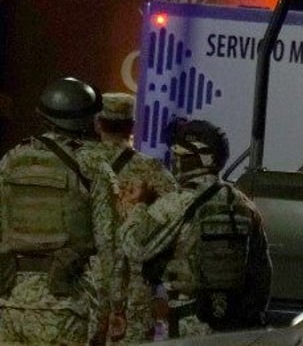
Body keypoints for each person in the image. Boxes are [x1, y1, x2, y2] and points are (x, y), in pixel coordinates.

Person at [119, 118, 272, 339]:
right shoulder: (243, 203)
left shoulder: (177, 203)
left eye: (181, 156)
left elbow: (134, 246)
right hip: (234, 325)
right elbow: (262, 271)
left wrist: (139, 206)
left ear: (199, 159)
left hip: (190, 321)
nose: (176, 162)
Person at [0, 77, 120, 346]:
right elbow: (109, 243)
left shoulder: (11, 159)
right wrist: (117, 306)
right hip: (64, 304)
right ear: (88, 119)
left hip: (10, 302)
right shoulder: (92, 165)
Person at [87, 92, 178, 344]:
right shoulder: (153, 171)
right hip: (134, 284)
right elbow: (175, 224)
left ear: (97, 124)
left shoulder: (82, 162)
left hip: (86, 278)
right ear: (132, 126)